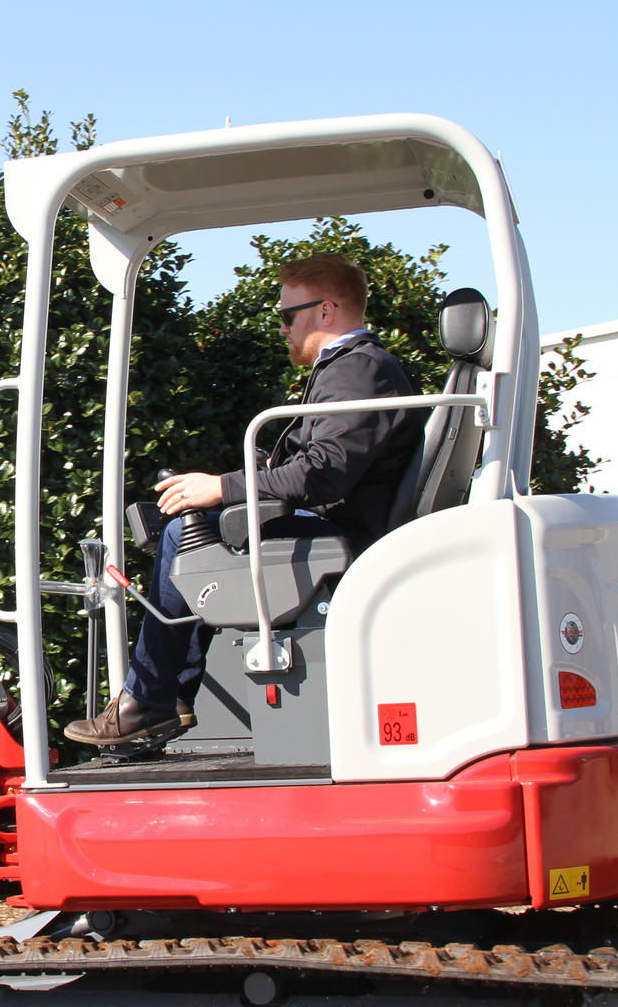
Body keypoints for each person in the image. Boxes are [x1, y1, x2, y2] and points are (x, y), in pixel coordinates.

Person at [65, 254, 425, 746]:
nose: (282, 329)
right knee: (191, 526)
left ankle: (149, 701)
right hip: (335, 521)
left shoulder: (357, 371)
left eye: (287, 316)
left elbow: (323, 475)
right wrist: (237, 481)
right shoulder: (356, 369)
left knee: (184, 533)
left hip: (341, 532)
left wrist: (223, 488)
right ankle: (166, 699)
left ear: (326, 311)